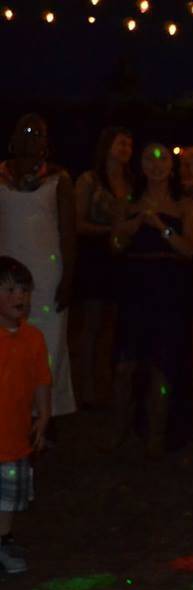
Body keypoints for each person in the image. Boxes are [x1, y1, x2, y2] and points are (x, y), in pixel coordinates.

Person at [109, 143, 193, 456]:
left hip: (168, 289)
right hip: (135, 288)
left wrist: (161, 228)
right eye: (149, 158)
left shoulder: (184, 204)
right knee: (125, 365)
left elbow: (189, 249)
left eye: (162, 159)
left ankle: (155, 438)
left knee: (162, 365)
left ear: (171, 167)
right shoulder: (128, 201)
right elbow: (116, 245)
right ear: (141, 164)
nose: (156, 165)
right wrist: (134, 225)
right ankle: (119, 431)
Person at [0, 114, 76, 419]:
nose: (31, 138)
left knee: (49, 344)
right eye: (26, 131)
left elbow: (68, 231)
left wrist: (68, 277)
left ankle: (45, 413)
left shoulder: (59, 179)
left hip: (46, 274)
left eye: (38, 133)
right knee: (8, 340)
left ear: (46, 143)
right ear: (13, 138)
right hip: (6, 274)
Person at [74, 126, 134, 408]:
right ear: (107, 146)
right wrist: (110, 229)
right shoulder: (90, 180)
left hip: (121, 259)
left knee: (114, 325)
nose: (125, 149)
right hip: (95, 258)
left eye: (129, 145)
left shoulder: (131, 182)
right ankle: (85, 384)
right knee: (91, 325)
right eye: (120, 143)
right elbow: (77, 222)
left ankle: (108, 381)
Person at [0, 257, 51, 574]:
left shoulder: (33, 338)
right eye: (9, 289)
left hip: (15, 437)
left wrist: (44, 415)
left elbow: (41, 380)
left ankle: (3, 540)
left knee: (8, 497)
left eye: (24, 290)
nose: (20, 297)